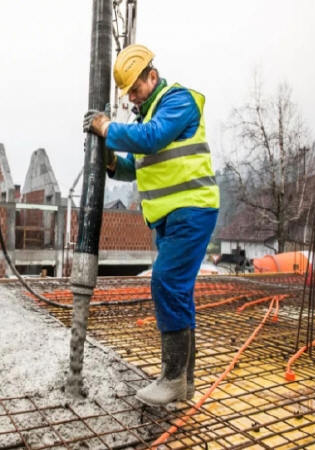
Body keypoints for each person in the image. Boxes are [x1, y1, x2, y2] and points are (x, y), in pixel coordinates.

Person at [83, 44, 219, 406]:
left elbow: (153, 138)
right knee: (179, 290)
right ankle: (184, 383)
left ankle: (172, 378)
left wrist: (107, 127)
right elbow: (134, 166)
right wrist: (111, 159)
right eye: (128, 92)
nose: (132, 97)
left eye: (136, 89)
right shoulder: (149, 116)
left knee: (166, 281)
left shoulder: (178, 101)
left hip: (192, 210)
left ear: (152, 77)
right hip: (171, 217)